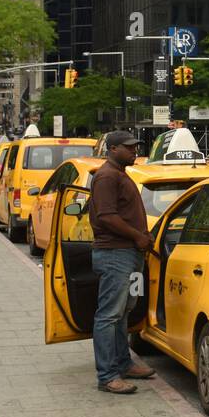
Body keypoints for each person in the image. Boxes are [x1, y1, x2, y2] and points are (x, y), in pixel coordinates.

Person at [87, 131, 157, 394]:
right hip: (115, 253)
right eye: (128, 148)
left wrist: (143, 236)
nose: (134, 151)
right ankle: (107, 376)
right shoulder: (106, 176)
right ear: (112, 149)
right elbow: (106, 216)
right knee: (109, 315)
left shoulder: (119, 174)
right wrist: (137, 236)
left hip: (128, 252)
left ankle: (123, 363)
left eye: (136, 146)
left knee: (123, 312)